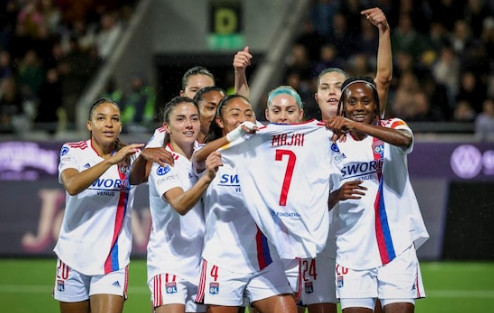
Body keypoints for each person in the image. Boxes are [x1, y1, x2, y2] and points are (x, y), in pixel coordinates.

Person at [325, 76, 429, 313]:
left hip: (395, 248)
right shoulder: (330, 142)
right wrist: (336, 195)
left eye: (365, 101)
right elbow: (314, 202)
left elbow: (405, 140)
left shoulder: (392, 126)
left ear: (376, 105)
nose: (359, 107)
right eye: (352, 102)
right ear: (343, 106)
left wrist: (356, 126)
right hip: (351, 251)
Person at [192, 94, 297, 313]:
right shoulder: (212, 154)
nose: (243, 118)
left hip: (264, 259)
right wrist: (236, 134)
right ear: (220, 121)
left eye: (248, 114)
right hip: (223, 262)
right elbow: (197, 158)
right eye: (235, 114)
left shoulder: (264, 153)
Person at [53, 98, 144, 313]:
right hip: (72, 256)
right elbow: (73, 185)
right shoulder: (73, 151)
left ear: (121, 125)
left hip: (112, 260)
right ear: (89, 125)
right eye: (101, 118)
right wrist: (110, 162)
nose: (109, 124)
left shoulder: (132, 157)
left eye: (114, 119)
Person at [142, 96, 221, 313]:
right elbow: (179, 204)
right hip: (169, 265)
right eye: (181, 119)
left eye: (194, 118)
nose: (189, 124)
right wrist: (207, 178)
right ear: (167, 127)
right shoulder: (163, 162)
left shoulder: (204, 156)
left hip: (204, 266)